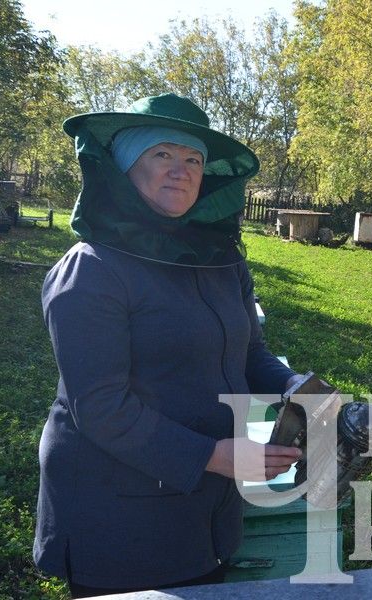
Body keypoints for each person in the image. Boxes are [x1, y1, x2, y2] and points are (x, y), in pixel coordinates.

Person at [33, 93, 304, 597]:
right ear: (125, 165)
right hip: (116, 514)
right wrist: (214, 455)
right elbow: (101, 407)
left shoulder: (220, 261)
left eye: (194, 159)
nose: (181, 170)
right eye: (162, 154)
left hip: (206, 501)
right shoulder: (90, 268)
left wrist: (296, 384)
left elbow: (248, 354)